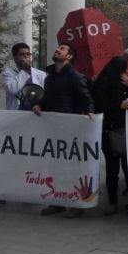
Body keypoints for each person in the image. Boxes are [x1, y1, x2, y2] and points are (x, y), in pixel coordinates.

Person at [33, 43, 94, 218]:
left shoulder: (76, 76)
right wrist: (38, 104)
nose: (57, 49)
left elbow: (86, 98)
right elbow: (47, 97)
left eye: (62, 49)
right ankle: (57, 201)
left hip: (70, 129)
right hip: (52, 127)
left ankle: (76, 203)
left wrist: (89, 113)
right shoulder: (50, 76)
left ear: (69, 57)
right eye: (57, 47)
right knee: (55, 166)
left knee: (72, 167)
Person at [0, 42, 47, 208]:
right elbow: (13, 89)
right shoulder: (9, 73)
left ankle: (28, 191)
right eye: (22, 54)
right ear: (15, 57)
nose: (26, 57)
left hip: (34, 121)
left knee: (31, 157)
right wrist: (25, 71)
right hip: (16, 119)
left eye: (28, 54)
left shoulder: (40, 74)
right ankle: (2, 193)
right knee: (11, 158)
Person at [92, 56, 128, 216]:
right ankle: (112, 202)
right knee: (112, 169)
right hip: (109, 131)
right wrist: (117, 105)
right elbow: (100, 104)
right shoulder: (102, 84)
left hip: (127, 131)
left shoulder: (127, 83)